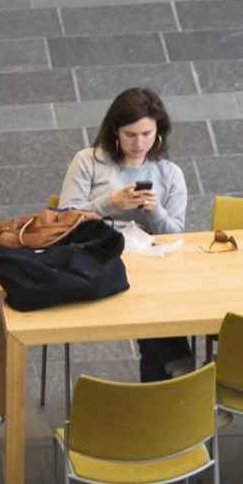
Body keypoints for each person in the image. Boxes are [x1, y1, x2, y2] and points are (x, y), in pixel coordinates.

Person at [59, 86, 191, 383]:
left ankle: (168, 390)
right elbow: (65, 219)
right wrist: (110, 203)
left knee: (153, 299)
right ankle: (182, 375)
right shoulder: (88, 161)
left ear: (158, 132)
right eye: (130, 135)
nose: (139, 143)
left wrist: (153, 211)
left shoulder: (169, 173)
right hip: (98, 258)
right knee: (152, 304)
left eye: (146, 134)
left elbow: (175, 235)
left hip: (152, 263)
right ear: (115, 132)